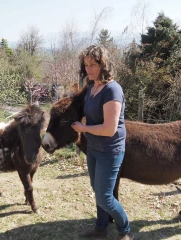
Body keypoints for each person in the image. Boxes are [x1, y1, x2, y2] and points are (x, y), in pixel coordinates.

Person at [71, 45, 134, 240]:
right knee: (98, 191)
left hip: (110, 150)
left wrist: (83, 129)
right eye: (86, 64)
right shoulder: (92, 86)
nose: (88, 69)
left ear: (103, 64)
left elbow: (109, 129)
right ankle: (101, 228)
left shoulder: (112, 90)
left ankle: (125, 231)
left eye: (93, 65)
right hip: (94, 148)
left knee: (105, 197)